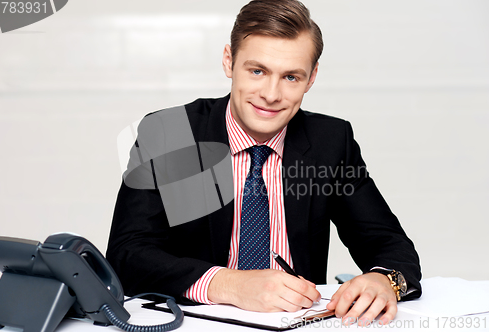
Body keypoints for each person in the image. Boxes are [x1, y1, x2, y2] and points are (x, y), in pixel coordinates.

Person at [106, 0, 421, 326]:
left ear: (311, 78)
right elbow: (126, 254)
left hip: (296, 321)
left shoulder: (331, 140)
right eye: (257, 71)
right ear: (229, 61)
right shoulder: (171, 134)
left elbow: (390, 245)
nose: (271, 94)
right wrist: (230, 284)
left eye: (291, 77)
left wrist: (384, 280)